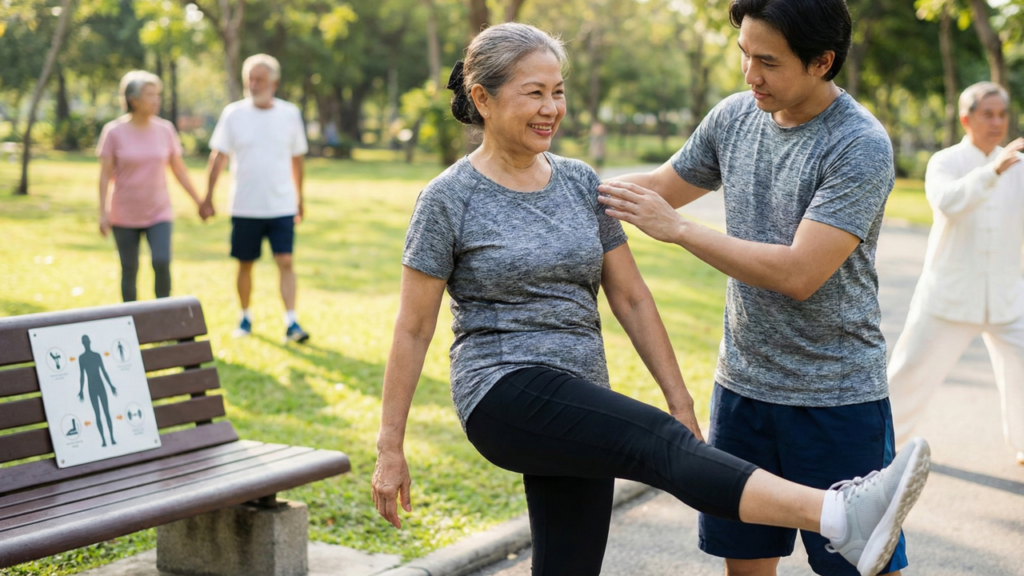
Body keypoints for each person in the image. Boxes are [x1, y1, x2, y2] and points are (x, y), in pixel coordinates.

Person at [371, 22, 930, 576]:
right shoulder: (447, 199)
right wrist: (389, 448)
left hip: (589, 397)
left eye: (558, 91)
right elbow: (413, 327)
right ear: (481, 99)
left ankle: (848, 515)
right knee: (656, 445)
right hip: (503, 387)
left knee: (571, 563)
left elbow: (633, 299)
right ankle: (841, 512)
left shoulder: (577, 183)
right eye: (534, 93)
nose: (551, 108)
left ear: (821, 62)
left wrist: (679, 400)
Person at [596, 1, 912, 574]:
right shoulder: (734, 117)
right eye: (744, 54)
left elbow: (800, 274)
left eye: (767, 61)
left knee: (858, 565)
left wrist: (681, 231)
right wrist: (542, 184)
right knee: (744, 564)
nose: (750, 75)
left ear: (823, 62)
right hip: (741, 393)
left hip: (836, 401)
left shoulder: (858, 143)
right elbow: (658, 188)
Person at [886, 82, 1024, 466]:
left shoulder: (1021, 168)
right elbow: (948, 203)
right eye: (988, 114)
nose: (997, 122)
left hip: (1008, 298)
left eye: (1002, 114)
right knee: (908, 373)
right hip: (947, 295)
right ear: (966, 118)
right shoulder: (944, 162)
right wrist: (992, 171)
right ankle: (880, 445)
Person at [203, 54, 310, 343]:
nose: (253, 84)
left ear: (274, 82)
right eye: (249, 79)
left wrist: (300, 197)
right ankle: (245, 317)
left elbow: (297, 160)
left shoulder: (289, 114)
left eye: (259, 79)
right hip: (245, 205)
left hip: (281, 205)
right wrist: (208, 196)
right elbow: (219, 156)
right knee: (245, 263)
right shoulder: (233, 114)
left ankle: (291, 322)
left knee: (285, 260)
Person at [97, 70, 203, 302]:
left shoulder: (165, 129)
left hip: (159, 211)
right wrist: (103, 212)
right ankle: (131, 325)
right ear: (133, 100)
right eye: (149, 95)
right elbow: (105, 175)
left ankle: (163, 319)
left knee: (162, 262)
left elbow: (179, 170)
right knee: (129, 269)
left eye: (157, 94)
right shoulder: (113, 131)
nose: (156, 100)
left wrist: (199, 201)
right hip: (124, 213)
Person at [78, 334, 117, 448]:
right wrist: (81, 390)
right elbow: (82, 376)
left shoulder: (96, 356)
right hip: (92, 388)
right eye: (85, 342)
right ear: (84, 343)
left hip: (100, 386)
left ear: (89, 342)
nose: (86, 343)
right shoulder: (82, 358)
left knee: (106, 413)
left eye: (87, 341)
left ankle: (112, 438)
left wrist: (111, 385)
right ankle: (104, 440)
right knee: (98, 415)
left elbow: (104, 371)